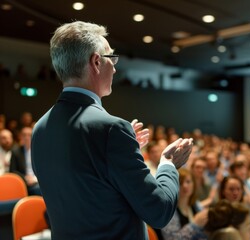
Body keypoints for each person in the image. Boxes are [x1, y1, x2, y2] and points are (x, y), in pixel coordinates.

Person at [31, 21, 194, 240]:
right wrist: (168, 164)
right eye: (111, 58)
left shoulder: (40, 127)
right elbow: (159, 211)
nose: (115, 67)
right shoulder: (111, 130)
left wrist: (124, 149)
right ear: (97, 62)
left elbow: (86, 187)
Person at [161, 168, 208, 240]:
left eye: (188, 182)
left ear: (193, 184)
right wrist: (194, 225)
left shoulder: (196, 205)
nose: (185, 186)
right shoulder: (169, 210)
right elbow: (172, 238)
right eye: (180, 182)